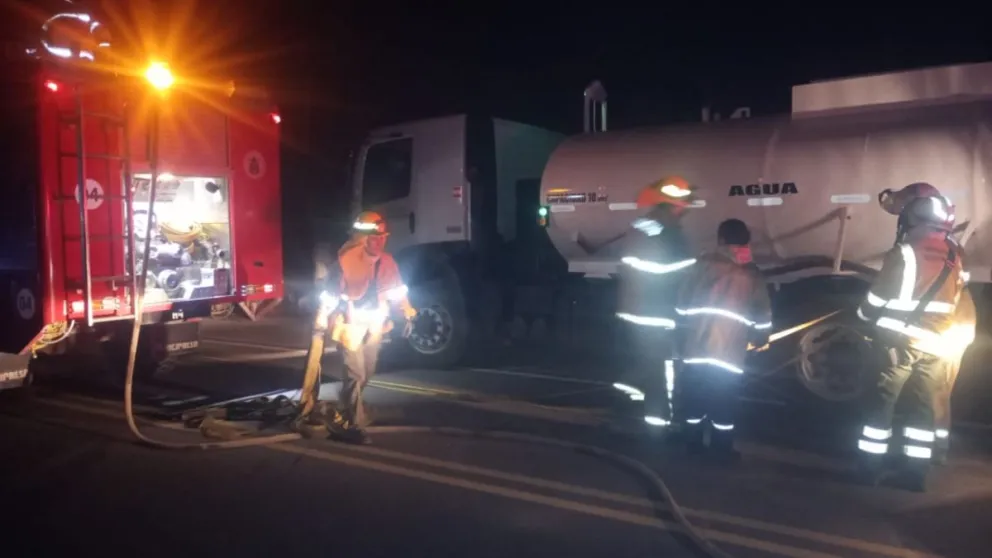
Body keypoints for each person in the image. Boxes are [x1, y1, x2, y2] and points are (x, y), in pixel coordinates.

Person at [855, 192, 967, 491]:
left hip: (899, 343)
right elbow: (957, 296)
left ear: (913, 221)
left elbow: (878, 297)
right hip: (937, 345)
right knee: (923, 409)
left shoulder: (904, 253)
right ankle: (915, 474)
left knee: (881, 404)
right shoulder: (954, 256)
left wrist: (863, 316)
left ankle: (868, 468)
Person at [673, 219, 772, 461]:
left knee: (693, 398)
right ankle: (721, 451)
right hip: (728, 355)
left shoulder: (700, 266)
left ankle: (692, 445)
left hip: (696, 349)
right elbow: (762, 314)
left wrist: (683, 334)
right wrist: (760, 339)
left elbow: (681, 306)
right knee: (723, 404)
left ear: (721, 240)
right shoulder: (750, 273)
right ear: (746, 242)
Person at [321, 211, 417, 444]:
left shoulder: (388, 262)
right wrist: (323, 317)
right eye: (375, 237)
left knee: (367, 372)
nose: (380, 241)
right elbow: (330, 294)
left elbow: (397, 291)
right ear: (363, 239)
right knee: (356, 374)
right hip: (350, 325)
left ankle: (345, 408)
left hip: (375, 326)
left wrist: (407, 313)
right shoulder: (345, 262)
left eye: (383, 237)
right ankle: (354, 425)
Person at [613, 176, 697, 431]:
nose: (684, 210)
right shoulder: (669, 233)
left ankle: (625, 402)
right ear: (673, 207)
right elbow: (679, 271)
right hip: (657, 313)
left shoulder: (643, 226)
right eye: (682, 206)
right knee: (659, 369)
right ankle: (659, 426)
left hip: (635, 309)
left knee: (647, 364)